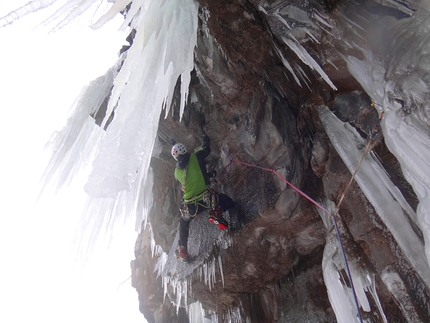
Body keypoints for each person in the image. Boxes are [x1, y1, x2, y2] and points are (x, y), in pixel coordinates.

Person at [171, 134, 235, 262]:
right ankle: (216, 212)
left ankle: (182, 250)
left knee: (184, 223)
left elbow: (191, 179)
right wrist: (206, 138)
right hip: (207, 200)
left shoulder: (176, 173)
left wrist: (207, 175)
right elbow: (206, 149)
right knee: (227, 201)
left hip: (191, 207)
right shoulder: (195, 156)